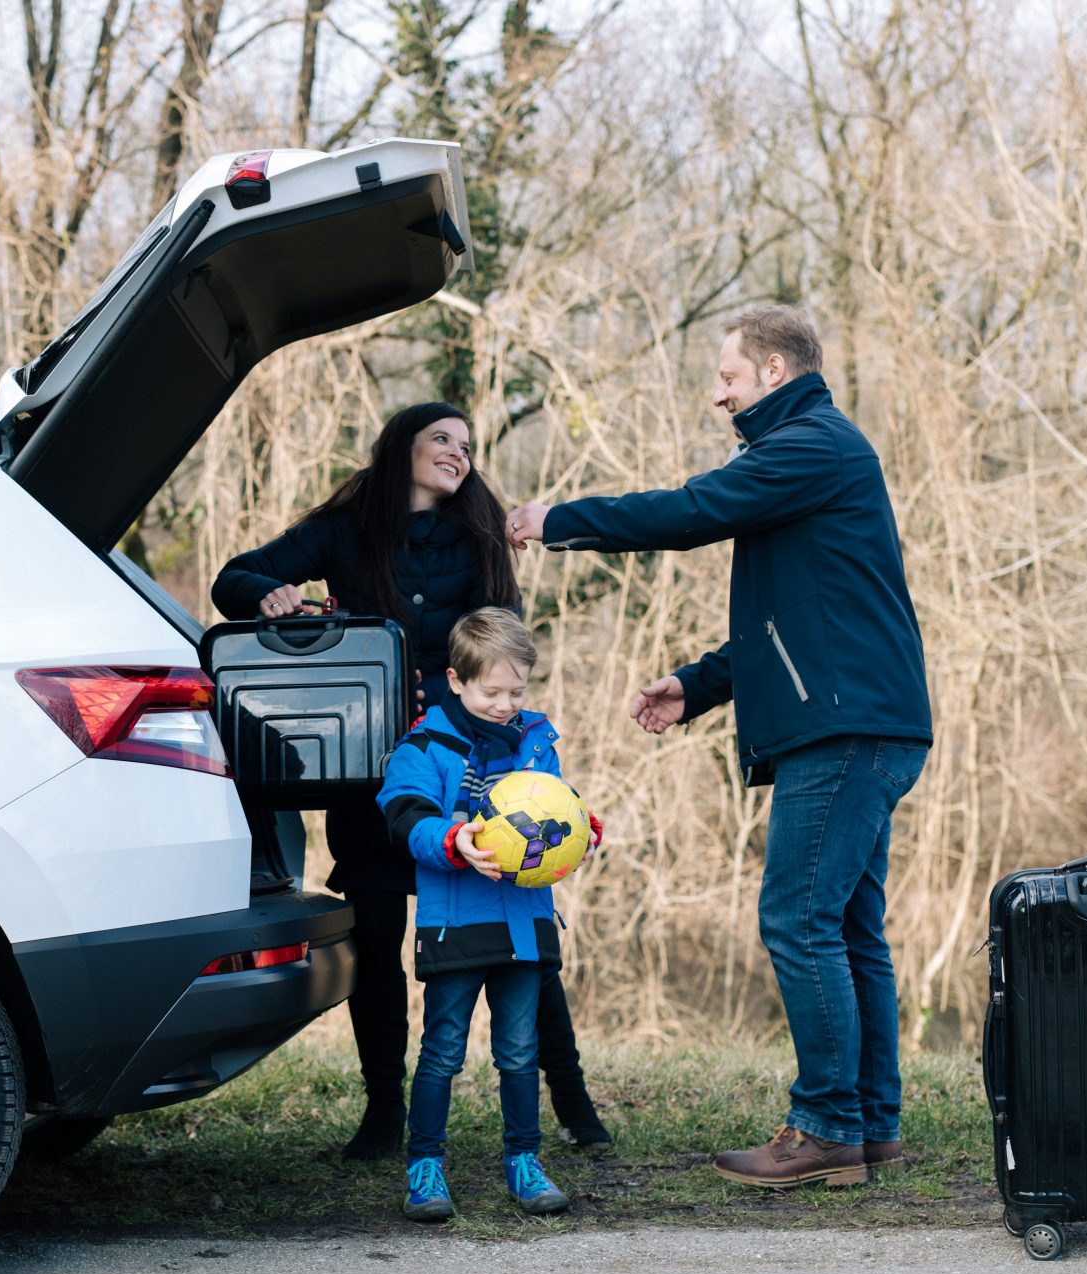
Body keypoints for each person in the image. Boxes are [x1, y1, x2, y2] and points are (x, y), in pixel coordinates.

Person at [506, 305, 932, 1189]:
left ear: (774, 372)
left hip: (845, 732)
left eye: (728, 376)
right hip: (863, 721)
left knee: (799, 920)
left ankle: (826, 1128)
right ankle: (869, 1124)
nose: (717, 394)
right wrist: (697, 685)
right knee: (848, 927)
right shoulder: (815, 454)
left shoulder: (810, 445)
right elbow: (802, 623)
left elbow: (691, 509)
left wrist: (559, 521)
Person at [212, 404, 611, 1161]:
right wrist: (269, 593)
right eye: (442, 439)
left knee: (519, 932)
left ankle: (573, 1100)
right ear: (403, 447)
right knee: (375, 933)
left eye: (466, 445)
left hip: (475, 766)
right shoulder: (345, 528)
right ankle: (383, 1112)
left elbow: (504, 648)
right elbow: (232, 578)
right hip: (372, 767)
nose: (458, 453)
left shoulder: (481, 532)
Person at [374, 608, 601, 1220]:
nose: (506, 705)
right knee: (443, 1050)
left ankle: (524, 1161)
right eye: (491, 692)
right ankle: (425, 1167)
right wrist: (454, 842)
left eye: (517, 692)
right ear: (456, 680)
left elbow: (559, 808)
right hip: (455, 924)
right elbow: (405, 816)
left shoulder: (536, 742)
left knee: (520, 1052)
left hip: (524, 924)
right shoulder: (425, 746)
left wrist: (581, 831)